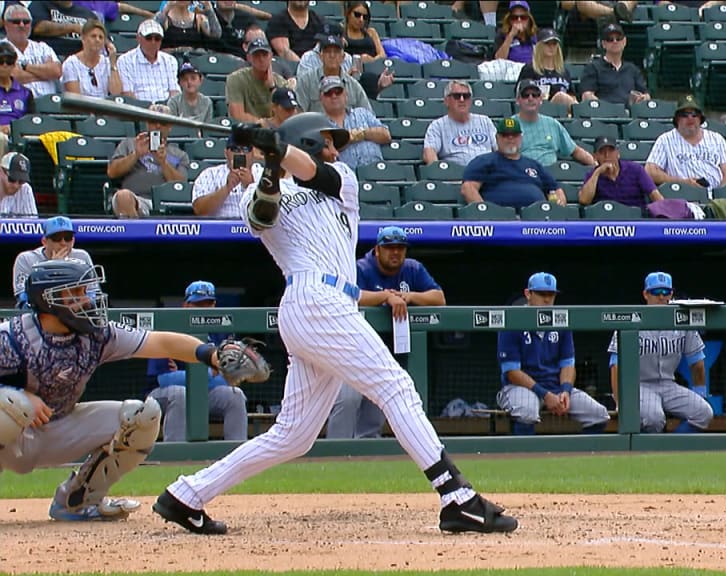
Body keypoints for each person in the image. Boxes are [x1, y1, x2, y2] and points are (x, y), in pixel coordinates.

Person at [152, 112, 518, 535]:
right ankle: (457, 496)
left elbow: (313, 171)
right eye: (325, 142)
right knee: (396, 387)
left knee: (293, 436)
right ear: (304, 142)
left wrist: (275, 148)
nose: (334, 149)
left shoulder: (341, 180)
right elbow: (260, 218)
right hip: (311, 298)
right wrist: (269, 163)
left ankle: (186, 495)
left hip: (328, 303)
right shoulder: (264, 186)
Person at [0, 258, 240, 521]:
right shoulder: (13, 337)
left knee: (142, 416)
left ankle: (76, 502)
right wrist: (17, 394)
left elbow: (160, 342)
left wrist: (213, 355)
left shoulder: (96, 334)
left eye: (86, 291)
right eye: (77, 293)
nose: (88, 300)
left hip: (59, 428)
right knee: (12, 405)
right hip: (13, 440)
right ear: (49, 299)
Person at [326, 226, 446, 439]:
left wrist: (409, 297)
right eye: (389, 247)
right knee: (348, 399)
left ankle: (367, 457)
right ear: (377, 249)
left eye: (400, 248)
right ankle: (335, 452)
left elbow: (439, 298)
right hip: (354, 352)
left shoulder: (413, 269)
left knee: (378, 405)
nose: (396, 252)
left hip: (387, 354)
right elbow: (351, 295)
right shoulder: (361, 268)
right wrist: (385, 297)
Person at [497, 272, 610, 436]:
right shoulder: (513, 320)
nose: (547, 299)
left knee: (599, 414)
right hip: (520, 388)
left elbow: (568, 365)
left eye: (551, 294)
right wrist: (545, 394)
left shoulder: (560, 321)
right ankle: (525, 458)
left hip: (556, 387)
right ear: (528, 294)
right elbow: (512, 372)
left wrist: (565, 390)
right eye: (542, 294)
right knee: (526, 411)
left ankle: (580, 459)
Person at [607, 272, 713, 433]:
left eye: (666, 292)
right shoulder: (630, 319)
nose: (662, 297)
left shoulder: (682, 320)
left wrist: (700, 393)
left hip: (669, 385)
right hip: (640, 385)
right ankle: (648, 454)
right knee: (654, 419)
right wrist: (619, 401)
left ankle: (674, 450)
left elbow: (697, 363)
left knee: (704, 413)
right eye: (656, 292)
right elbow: (615, 366)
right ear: (645, 294)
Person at [145, 281, 248, 442]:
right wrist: (210, 373)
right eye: (198, 303)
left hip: (204, 392)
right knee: (180, 394)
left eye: (208, 303)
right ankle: (174, 457)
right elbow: (163, 378)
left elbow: (230, 379)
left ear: (214, 305)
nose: (204, 308)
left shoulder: (222, 330)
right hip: (162, 394)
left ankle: (237, 456)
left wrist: (182, 375)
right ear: (186, 305)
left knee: (235, 396)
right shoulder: (169, 326)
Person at [462, 117, 566, 208]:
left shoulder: (534, 165)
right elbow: (468, 188)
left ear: (521, 137)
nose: (510, 139)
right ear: (497, 138)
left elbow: (556, 190)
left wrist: (556, 209)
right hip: (500, 220)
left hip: (536, 221)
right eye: (505, 135)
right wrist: (485, 213)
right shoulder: (484, 161)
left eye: (514, 135)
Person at [107, 105, 189, 219]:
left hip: (166, 204)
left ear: (170, 126)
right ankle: (137, 234)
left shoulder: (179, 154)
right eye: (153, 121)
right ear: (147, 123)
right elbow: (112, 172)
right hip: (136, 200)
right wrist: (136, 155)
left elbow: (181, 185)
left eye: (163, 122)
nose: (158, 126)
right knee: (123, 196)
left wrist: (163, 162)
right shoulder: (129, 144)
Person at [644, 95, 726, 188]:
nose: (690, 118)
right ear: (677, 118)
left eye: (694, 114)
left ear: (700, 118)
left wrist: (720, 196)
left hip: (714, 196)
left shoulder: (717, 139)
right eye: (684, 115)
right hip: (681, 195)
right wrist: (682, 182)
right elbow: (650, 171)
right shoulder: (665, 140)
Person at [12, 216, 94, 308]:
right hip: (37, 317)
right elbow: (24, 301)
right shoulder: (26, 259)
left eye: (67, 238)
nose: (63, 243)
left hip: (75, 314)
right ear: (44, 241)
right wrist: (52, 269)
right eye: (57, 238)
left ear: (73, 241)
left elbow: (93, 295)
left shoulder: (82, 257)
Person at [514, 79, 595, 168]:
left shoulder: (552, 124)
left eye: (535, 95)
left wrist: (595, 165)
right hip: (521, 175)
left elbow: (575, 151)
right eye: (525, 95)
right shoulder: (510, 125)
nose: (530, 98)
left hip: (550, 175)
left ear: (541, 100)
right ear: (518, 100)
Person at [319, 75, 390, 169]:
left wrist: (361, 134)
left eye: (338, 91)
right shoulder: (319, 124)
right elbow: (326, 152)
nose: (334, 96)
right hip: (345, 176)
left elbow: (385, 135)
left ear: (346, 95)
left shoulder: (362, 112)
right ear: (321, 98)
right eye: (328, 93)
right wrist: (352, 137)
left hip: (376, 170)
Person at [422, 80, 497, 166]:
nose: (462, 100)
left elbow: (500, 148)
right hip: (458, 176)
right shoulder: (438, 126)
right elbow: (429, 153)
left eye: (466, 96)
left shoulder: (485, 121)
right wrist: (440, 172)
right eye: (457, 96)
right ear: (446, 101)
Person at [294, 33, 371, 114]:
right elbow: (298, 114)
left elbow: (368, 115)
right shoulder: (306, 81)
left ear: (343, 57)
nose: (332, 55)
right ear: (321, 56)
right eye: (327, 51)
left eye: (336, 52)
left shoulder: (353, 86)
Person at [579, 136, 660, 207]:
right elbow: (584, 200)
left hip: (635, 219)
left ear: (618, 154)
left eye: (611, 151)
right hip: (606, 220)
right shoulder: (592, 175)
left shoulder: (636, 170)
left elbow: (654, 194)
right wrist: (597, 172)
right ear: (595, 156)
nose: (607, 155)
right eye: (602, 152)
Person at [579, 23, 649, 105]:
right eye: (610, 39)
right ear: (603, 44)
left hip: (630, 114)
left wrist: (643, 98)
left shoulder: (633, 69)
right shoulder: (593, 68)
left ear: (624, 41)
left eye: (618, 38)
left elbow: (646, 95)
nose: (615, 41)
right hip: (603, 114)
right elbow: (587, 96)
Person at [1, 4, 61, 98]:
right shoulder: (1, 47)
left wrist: (25, 67)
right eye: (16, 22)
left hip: (49, 104)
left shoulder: (43, 47)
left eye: (26, 22)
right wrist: (45, 75)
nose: (21, 25)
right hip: (17, 105)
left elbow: (56, 71)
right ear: (6, 24)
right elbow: (13, 76)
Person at [226, 37, 288, 124]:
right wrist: (265, 124)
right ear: (249, 58)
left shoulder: (281, 83)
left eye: (264, 55)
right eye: (256, 55)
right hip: (246, 131)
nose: (261, 59)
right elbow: (237, 115)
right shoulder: (235, 79)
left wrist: (272, 88)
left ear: (271, 56)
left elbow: (286, 116)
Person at [191, 134, 255, 218]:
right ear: (226, 153)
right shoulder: (210, 174)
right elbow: (199, 210)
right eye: (235, 149)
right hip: (220, 228)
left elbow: (274, 211)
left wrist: (252, 187)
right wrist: (227, 188)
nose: (241, 153)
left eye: (246, 149)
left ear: (252, 153)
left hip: (256, 229)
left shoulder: (262, 174)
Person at [115, 19, 179, 103]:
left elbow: (174, 91)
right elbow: (128, 94)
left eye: (157, 38)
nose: (153, 42)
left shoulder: (170, 61)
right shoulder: (125, 60)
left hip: (166, 110)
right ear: (138, 38)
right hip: (138, 110)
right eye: (148, 38)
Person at [61, 19, 122, 98]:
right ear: (83, 39)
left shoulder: (107, 63)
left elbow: (116, 94)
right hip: (80, 108)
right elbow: (75, 99)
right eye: (93, 36)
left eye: (101, 37)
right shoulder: (71, 63)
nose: (97, 40)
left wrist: (113, 65)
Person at [517, 28, 577, 106]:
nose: (551, 47)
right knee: (560, 96)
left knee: (562, 97)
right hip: (539, 110)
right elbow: (520, 95)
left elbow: (572, 95)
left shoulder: (564, 71)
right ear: (539, 46)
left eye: (554, 44)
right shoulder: (529, 69)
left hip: (563, 113)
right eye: (547, 43)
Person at [28, 0, 96, 58]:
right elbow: (38, 27)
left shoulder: (88, 14)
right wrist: (73, 28)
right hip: (50, 57)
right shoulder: (39, 4)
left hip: (82, 59)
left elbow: (100, 34)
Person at [0, 42, 33, 157]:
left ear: (14, 65)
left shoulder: (25, 93)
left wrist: (14, 128)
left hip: (18, 133)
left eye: (9, 62)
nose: (4, 65)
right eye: (0, 61)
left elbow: (31, 120)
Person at [155, 0, 221, 54]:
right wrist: (166, 9)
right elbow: (153, 32)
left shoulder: (199, 19)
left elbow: (216, 34)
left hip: (195, 62)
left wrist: (209, 9)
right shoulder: (164, 19)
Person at [495, 1, 536, 65]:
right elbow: (499, 60)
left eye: (523, 17)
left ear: (529, 19)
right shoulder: (502, 35)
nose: (519, 20)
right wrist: (511, 35)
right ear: (509, 20)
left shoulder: (537, 35)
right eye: (514, 18)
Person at [0, 151, 34, 217]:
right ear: (1, 172)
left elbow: (32, 223)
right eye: (12, 179)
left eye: (21, 181)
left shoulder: (25, 189)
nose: (16, 185)